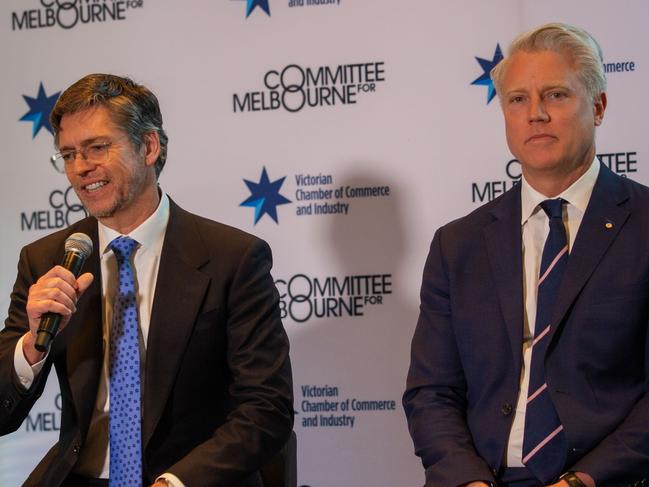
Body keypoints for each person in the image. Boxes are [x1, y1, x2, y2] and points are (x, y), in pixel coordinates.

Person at [0, 74, 293, 487]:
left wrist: (176, 482)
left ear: (149, 147)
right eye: (68, 155)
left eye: (97, 147)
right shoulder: (47, 259)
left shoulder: (233, 259)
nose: (81, 168)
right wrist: (30, 345)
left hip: (187, 479)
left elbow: (267, 408)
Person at [403, 23, 649, 487]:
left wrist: (583, 481)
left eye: (556, 95)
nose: (535, 114)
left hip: (608, 478)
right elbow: (431, 392)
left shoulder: (644, 225)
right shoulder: (457, 245)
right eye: (517, 99)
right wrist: (467, 480)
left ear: (598, 106)